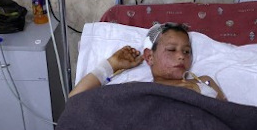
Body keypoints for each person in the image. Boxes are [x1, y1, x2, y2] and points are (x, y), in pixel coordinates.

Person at [70, 22, 226, 100]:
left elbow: (231, 118)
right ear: (150, 57)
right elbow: (76, 100)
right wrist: (111, 65)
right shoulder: (136, 88)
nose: (181, 56)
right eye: (172, 49)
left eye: (187, 51)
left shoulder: (204, 83)